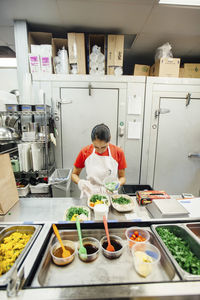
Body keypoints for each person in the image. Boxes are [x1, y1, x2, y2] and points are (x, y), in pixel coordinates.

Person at [71, 123, 127, 198]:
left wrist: (118, 184)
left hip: (110, 194)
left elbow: (122, 177)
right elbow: (74, 174)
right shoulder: (85, 152)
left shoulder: (118, 152)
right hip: (90, 194)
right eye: (96, 147)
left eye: (103, 147)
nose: (100, 150)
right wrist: (80, 182)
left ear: (109, 139)